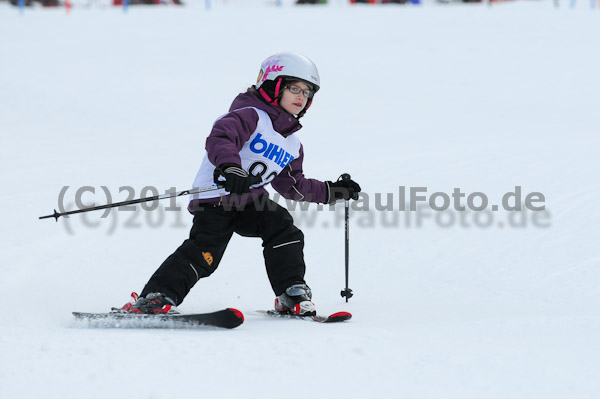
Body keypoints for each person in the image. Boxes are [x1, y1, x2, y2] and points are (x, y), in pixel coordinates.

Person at [124, 52, 361, 317]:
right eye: (294, 88)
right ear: (273, 85)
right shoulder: (250, 115)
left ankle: (291, 291)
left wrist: (333, 191)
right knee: (205, 252)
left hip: (250, 202)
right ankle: (155, 298)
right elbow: (221, 137)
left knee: (282, 226)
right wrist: (231, 167)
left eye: (307, 93)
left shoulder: (292, 144)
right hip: (217, 197)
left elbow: (293, 186)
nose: (301, 97)